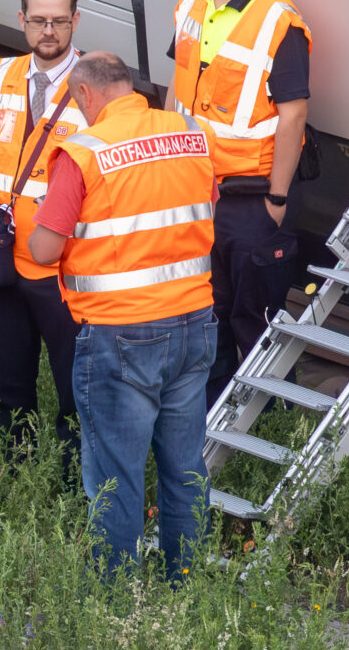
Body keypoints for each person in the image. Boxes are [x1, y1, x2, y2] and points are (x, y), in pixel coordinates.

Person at [26, 54, 217, 579]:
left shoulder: (84, 153)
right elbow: (202, 207)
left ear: (86, 96)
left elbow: (43, 251)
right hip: (194, 323)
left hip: (120, 334)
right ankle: (187, 588)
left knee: (116, 476)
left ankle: (115, 607)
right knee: (184, 469)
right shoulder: (188, 131)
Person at [168, 0, 309, 405]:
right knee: (208, 320)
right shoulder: (193, 0)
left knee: (255, 324)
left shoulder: (278, 21)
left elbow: (294, 117)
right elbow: (178, 87)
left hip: (249, 203)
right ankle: (213, 430)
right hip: (195, 195)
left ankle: (270, 433)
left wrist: (275, 201)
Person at [0, 0, 86, 467]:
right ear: (22, 20)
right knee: (8, 386)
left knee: (75, 391)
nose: (48, 31)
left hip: (62, 270)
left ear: (76, 21)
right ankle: (18, 483)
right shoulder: (3, 77)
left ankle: (75, 490)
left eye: (59, 21)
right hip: (1, 261)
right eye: (39, 20)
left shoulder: (93, 89)